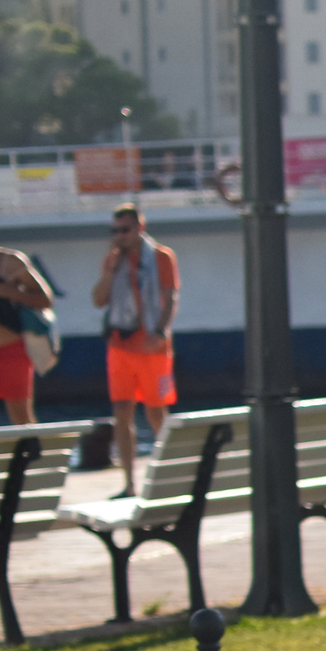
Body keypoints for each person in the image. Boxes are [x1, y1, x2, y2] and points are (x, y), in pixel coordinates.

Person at [89, 203, 177, 495]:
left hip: (153, 348)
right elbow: (98, 299)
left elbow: (170, 297)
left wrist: (160, 330)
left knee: (156, 413)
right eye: (115, 231)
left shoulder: (161, 257)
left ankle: (168, 476)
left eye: (125, 230)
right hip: (120, 346)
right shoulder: (112, 260)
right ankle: (129, 483)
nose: (120, 236)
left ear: (140, 227)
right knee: (122, 412)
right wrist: (111, 270)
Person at [0, 211, 57, 428]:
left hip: (11, 349)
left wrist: (11, 292)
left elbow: (45, 298)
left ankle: (30, 459)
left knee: (21, 419)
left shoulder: (10, 262)